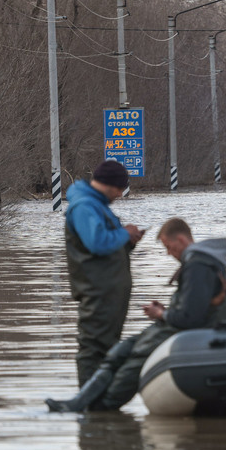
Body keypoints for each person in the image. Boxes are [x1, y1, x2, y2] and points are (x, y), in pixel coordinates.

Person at [47, 218, 226, 412]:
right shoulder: (199, 260)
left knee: (135, 360)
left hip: (190, 330)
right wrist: (165, 312)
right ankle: (79, 402)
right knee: (119, 351)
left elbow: (191, 318)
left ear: (180, 239)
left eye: (168, 247)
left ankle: (101, 410)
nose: (168, 253)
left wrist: (161, 314)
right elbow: (193, 306)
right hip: (176, 325)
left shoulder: (198, 266)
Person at [65, 160, 146, 387]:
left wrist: (128, 241)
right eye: (120, 189)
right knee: (93, 349)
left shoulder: (96, 206)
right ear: (109, 185)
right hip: (97, 292)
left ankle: (101, 409)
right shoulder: (84, 206)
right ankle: (89, 407)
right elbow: (97, 243)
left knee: (106, 348)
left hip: (109, 293)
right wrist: (124, 233)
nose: (120, 194)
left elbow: (105, 248)